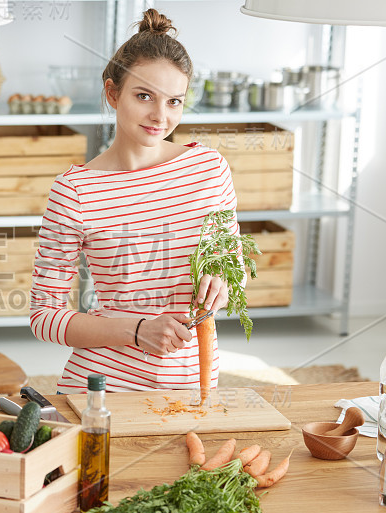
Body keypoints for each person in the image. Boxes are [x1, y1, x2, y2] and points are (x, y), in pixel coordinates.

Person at [29, 8, 241, 394]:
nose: (160, 116)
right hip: (100, 390)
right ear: (113, 93)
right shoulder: (75, 191)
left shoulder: (210, 170)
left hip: (192, 384)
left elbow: (233, 266)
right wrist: (137, 330)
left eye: (174, 101)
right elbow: (44, 315)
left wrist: (222, 282)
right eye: (144, 96)